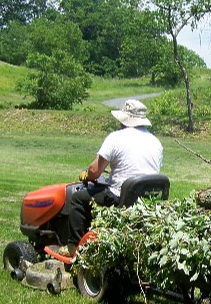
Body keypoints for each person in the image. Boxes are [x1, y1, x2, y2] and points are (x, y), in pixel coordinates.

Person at [58, 99, 163, 257]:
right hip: (146, 202)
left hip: (119, 198)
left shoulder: (116, 138)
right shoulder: (156, 142)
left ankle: (73, 246)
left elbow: (94, 172)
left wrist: (87, 175)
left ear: (124, 120)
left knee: (78, 198)